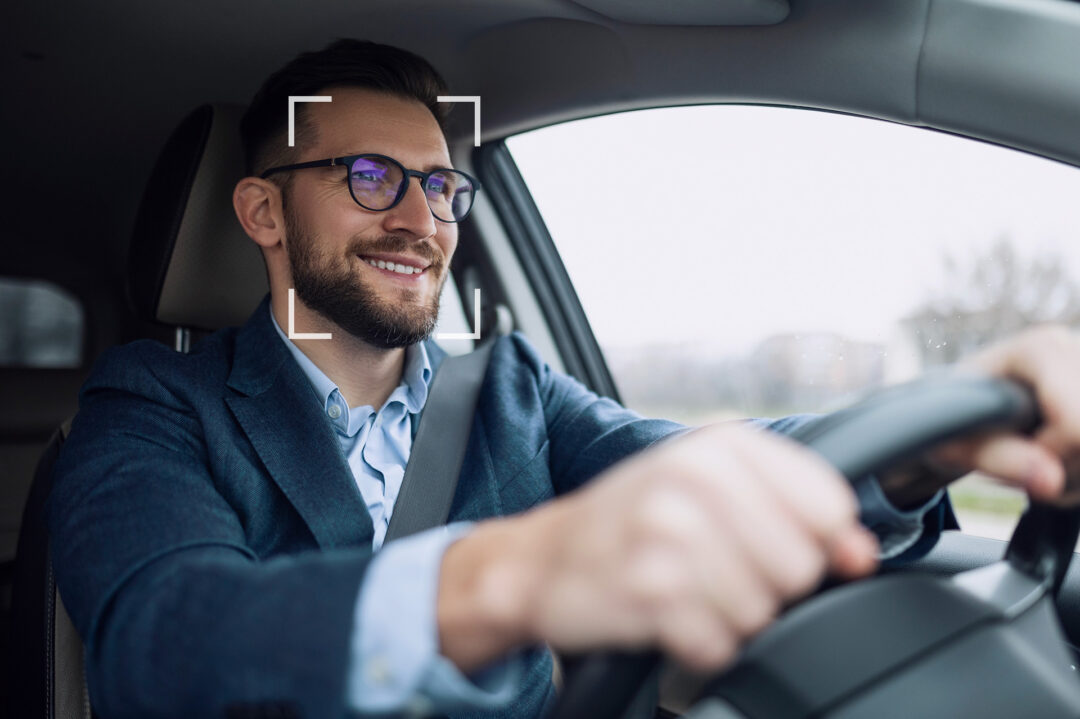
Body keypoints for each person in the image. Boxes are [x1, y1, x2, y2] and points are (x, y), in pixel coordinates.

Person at [46, 38, 1080, 719]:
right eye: (370, 178)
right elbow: (163, 637)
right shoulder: (154, 404)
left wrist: (922, 438)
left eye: (443, 185)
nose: (423, 220)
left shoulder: (514, 391)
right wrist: (503, 574)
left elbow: (705, 466)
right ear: (265, 214)